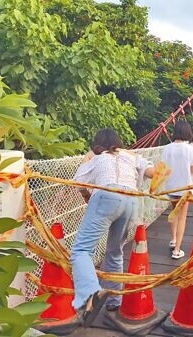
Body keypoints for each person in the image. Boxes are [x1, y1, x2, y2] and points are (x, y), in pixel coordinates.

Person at [71, 128, 154, 327]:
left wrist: (87, 161)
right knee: (115, 252)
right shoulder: (131, 156)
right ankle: (113, 302)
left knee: (81, 250)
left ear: (97, 145)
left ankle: (91, 290)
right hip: (132, 201)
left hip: (107, 195)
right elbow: (152, 171)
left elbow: (78, 181)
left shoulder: (97, 158)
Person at [161, 120, 193, 259]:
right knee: (182, 217)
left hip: (171, 188)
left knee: (174, 213)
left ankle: (173, 239)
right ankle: (177, 250)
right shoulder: (188, 148)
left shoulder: (167, 148)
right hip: (185, 188)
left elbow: (162, 169)